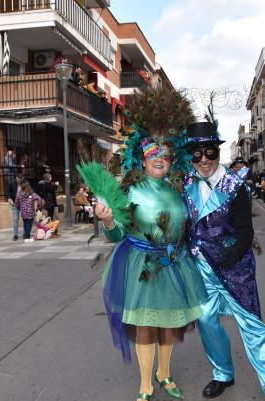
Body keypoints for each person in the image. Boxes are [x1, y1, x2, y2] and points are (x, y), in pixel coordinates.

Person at [90, 86, 208, 401]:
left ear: (172, 160)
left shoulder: (179, 190)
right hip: (140, 266)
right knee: (144, 326)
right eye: (153, 155)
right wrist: (108, 220)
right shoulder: (129, 192)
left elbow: (190, 227)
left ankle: (164, 374)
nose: (160, 160)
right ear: (142, 159)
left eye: (165, 155)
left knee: (169, 326)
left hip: (174, 264)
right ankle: (145, 383)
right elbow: (115, 236)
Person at [184, 121, 265, 401]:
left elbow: (246, 229)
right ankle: (222, 374)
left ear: (217, 152)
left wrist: (233, 254)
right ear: (190, 156)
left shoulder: (234, 185)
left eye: (210, 152)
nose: (204, 160)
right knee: (207, 321)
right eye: (197, 154)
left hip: (235, 267)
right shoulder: (187, 182)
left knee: (252, 324)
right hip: (201, 266)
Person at [5, 174, 25, 241]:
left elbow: (29, 192)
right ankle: (15, 235)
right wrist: (9, 198)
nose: (19, 182)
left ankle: (25, 233)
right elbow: (8, 192)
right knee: (15, 219)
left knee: (25, 219)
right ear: (16, 178)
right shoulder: (12, 183)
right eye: (19, 180)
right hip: (15, 204)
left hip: (23, 204)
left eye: (21, 180)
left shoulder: (25, 183)